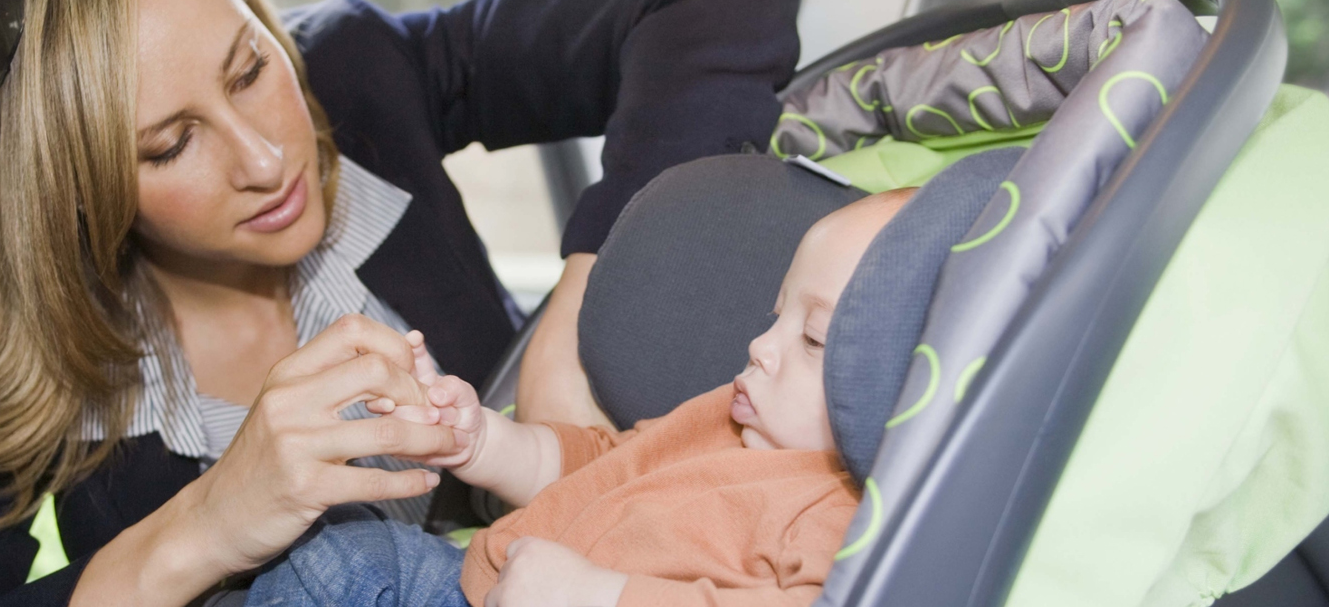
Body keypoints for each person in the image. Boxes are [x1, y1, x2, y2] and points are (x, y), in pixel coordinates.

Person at [0, 0, 803, 605]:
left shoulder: (355, 73)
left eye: (249, 68)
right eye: (169, 145)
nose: (265, 159)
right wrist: (204, 526)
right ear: (68, 193)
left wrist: (595, 289)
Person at [244, 189, 918, 607]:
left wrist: (604, 597)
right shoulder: (724, 417)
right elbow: (595, 467)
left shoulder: (841, 510)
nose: (761, 347)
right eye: (775, 317)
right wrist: (481, 441)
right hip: (483, 583)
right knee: (343, 548)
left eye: (815, 339)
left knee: (341, 565)